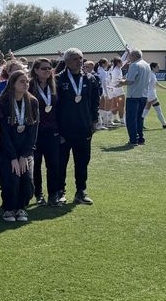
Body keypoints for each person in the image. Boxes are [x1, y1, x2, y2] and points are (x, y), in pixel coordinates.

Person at [56, 48, 99, 204]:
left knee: (82, 161)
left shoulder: (90, 79)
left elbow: (95, 102)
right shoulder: (58, 80)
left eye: (81, 58)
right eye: (75, 58)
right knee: (61, 162)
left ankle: (81, 191)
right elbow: (54, 106)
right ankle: (60, 191)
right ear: (66, 61)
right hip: (64, 129)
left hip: (84, 128)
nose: (79, 61)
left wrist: (94, 121)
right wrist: (56, 129)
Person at [0, 71, 39, 222]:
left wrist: (24, 155)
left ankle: (21, 207)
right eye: (22, 81)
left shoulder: (33, 102)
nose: (26, 84)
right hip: (7, 152)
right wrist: (13, 157)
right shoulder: (3, 103)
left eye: (27, 81)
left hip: (25, 152)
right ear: (13, 83)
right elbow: (3, 133)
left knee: (27, 182)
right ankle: (8, 209)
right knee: (12, 180)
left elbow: (33, 131)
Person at [29, 58, 61, 206]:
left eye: (49, 68)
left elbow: (60, 109)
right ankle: (38, 194)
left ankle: (53, 194)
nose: (47, 71)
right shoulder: (29, 86)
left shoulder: (54, 85)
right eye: (43, 68)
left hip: (52, 132)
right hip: (35, 133)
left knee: (53, 164)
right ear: (35, 70)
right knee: (36, 166)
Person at [117, 49, 151, 146]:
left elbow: (130, 80)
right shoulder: (147, 65)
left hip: (133, 95)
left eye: (130, 56)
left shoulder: (134, 65)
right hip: (143, 95)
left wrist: (121, 82)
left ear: (134, 56)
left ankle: (133, 139)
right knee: (139, 117)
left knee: (131, 118)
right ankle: (140, 138)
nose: (129, 58)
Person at [142, 62, 166, 129]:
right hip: (151, 94)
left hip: (151, 94)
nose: (159, 68)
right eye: (157, 67)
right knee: (157, 109)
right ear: (153, 68)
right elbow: (146, 83)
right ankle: (164, 124)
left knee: (147, 109)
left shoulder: (152, 74)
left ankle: (141, 123)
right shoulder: (150, 74)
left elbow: (157, 84)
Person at [96, 58, 113, 128]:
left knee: (101, 108)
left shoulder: (99, 70)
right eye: (106, 63)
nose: (107, 64)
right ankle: (102, 123)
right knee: (102, 107)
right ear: (103, 64)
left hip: (100, 90)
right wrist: (107, 93)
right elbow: (104, 84)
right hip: (102, 91)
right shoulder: (103, 72)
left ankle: (103, 123)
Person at [109, 58, 125, 125]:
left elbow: (124, 59)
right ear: (118, 63)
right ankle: (122, 121)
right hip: (118, 90)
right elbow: (119, 81)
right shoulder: (117, 71)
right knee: (121, 105)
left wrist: (127, 52)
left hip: (113, 90)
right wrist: (125, 80)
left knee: (115, 105)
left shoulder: (114, 68)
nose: (122, 63)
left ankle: (114, 118)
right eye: (121, 62)